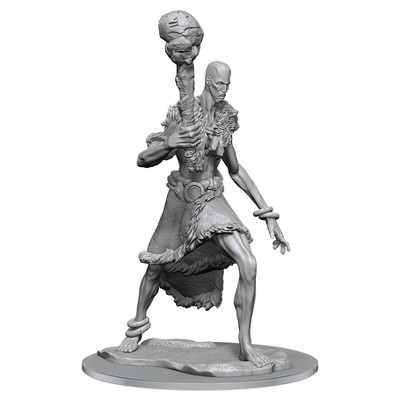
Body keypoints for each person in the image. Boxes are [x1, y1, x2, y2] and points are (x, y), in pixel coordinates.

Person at [117, 61, 290, 368]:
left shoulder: (225, 118)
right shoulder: (183, 114)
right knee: (156, 266)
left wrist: (268, 214)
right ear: (208, 82)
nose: (225, 90)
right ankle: (136, 326)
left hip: (211, 199)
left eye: (228, 84)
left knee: (249, 263)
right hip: (181, 199)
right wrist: (170, 143)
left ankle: (246, 344)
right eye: (220, 84)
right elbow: (143, 159)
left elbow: (235, 169)